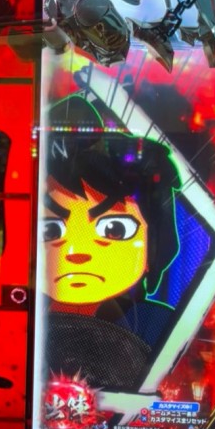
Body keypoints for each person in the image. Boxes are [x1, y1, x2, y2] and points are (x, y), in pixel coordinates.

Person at [42, 94, 182, 392]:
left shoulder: (160, 325)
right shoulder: (16, 321)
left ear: (154, 244)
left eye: (115, 229)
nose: (77, 252)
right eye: (49, 230)